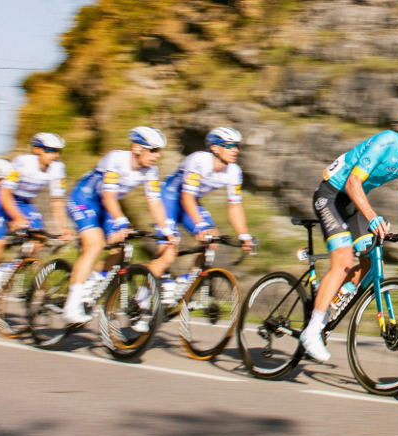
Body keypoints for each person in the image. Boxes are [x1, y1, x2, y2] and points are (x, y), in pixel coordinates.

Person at [298, 109, 398, 362]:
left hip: (353, 203)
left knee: (370, 263)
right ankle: (312, 331)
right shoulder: (385, 142)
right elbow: (353, 182)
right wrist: (373, 215)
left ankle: (326, 293)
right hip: (331, 195)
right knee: (343, 261)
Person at [61, 126, 169, 324]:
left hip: (105, 205)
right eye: (153, 150)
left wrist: (165, 229)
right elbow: (109, 196)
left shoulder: (150, 171)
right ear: (137, 148)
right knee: (94, 245)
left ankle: (92, 281)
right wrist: (121, 221)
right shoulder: (116, 159)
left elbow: (154, 201)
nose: (157, 156)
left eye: (159, 151)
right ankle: (71, 305)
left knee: (120, 249)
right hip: (84, 199)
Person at [0, 133, 69, 322]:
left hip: (26, 203)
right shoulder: (22, 163)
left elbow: (57, 201)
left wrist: (63, 228)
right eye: (50, 151)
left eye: (57, 152)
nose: (55, 155)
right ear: (37, 150)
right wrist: (16, 217)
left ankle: (10, 270)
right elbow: (5, 195)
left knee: (38, 240)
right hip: (3, 202)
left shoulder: (58, 169)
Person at [152, 126, 254, 303]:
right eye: (230, 146)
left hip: (189, 203)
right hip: (168, 198)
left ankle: (186, 282)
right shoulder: (199, 161)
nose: (236, 150)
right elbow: (187, 196)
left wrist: (244, 235)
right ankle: (142, 299)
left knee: (212, 239)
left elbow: (235, 206)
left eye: (237, 146)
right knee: (167, 254)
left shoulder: (234, 172)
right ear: (215, 148)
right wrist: (200, 224)